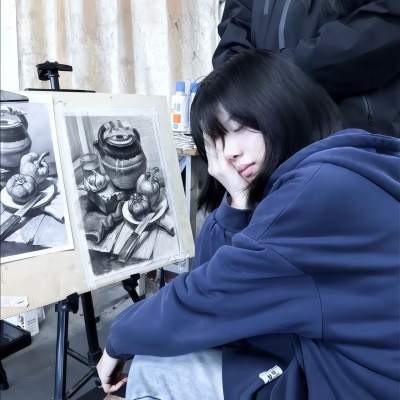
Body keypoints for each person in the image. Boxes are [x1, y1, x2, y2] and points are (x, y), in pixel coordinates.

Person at [96, 50, 400, 399]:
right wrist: (239, 198)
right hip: (352, 365)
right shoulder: (355, 163)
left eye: (238, 128)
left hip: (351, 384)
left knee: (154, 367)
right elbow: (221, 282)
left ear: (282, 105)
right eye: (215, 144)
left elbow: (211, 294)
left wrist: (118, 339)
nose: (228, 154)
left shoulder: (314, 194)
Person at [213, 0, 400, 138]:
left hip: (350, 135)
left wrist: (279, 73)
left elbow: (387, 26)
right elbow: (234, 36)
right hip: (270, 138)